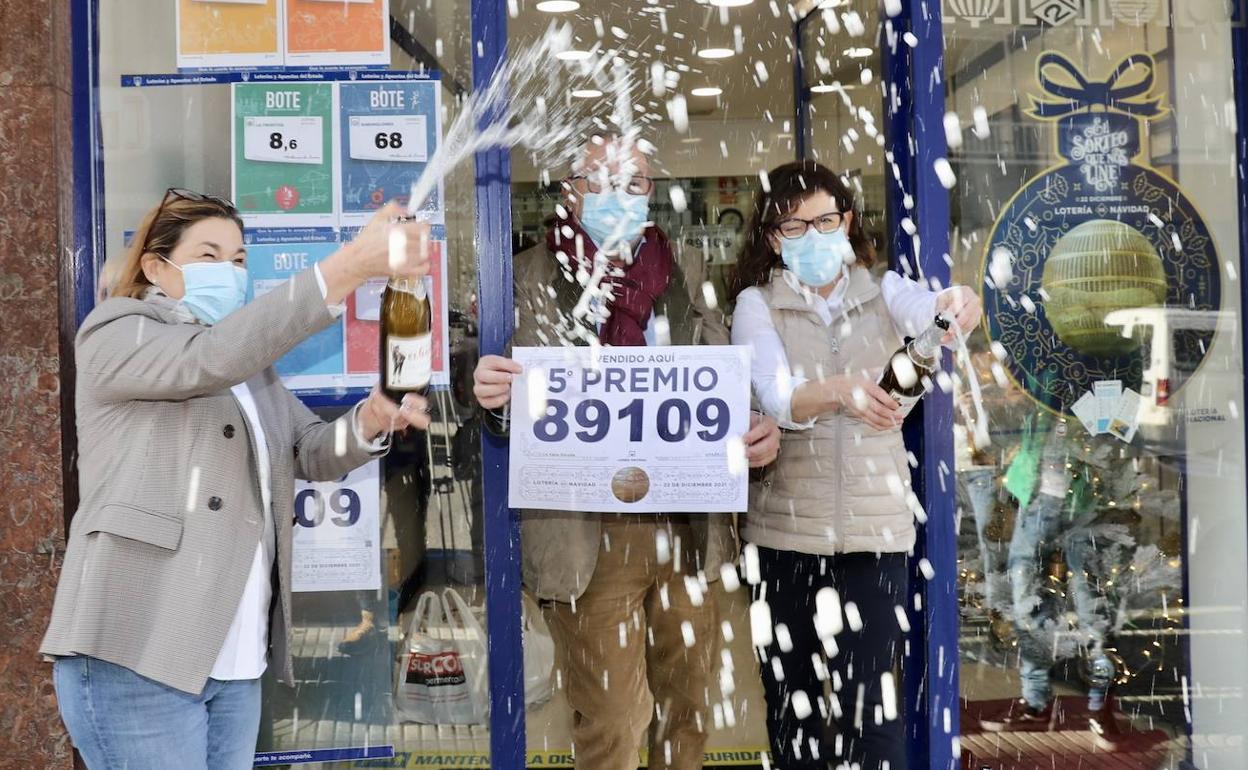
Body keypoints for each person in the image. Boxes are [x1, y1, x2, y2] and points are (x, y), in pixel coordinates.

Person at [40, 189, 432, 770]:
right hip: (137, 649)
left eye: (240, 258)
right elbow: (209, 358)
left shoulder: (251, 368)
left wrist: (372, 419)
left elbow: (312, 451)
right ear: (155, 267)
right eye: (209, 255)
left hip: (235, 660)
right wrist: (349, 267)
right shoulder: (118, 332)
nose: (231, 270)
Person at [473, 135, 781, 770]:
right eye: (603, 183)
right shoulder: (523, 277)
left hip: (686, 525)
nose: (621, 197)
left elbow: (726, 379)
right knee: (614, 717)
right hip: (586, 533)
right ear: (571, 192)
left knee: (688, 704)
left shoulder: (686, 271)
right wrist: (488, 393)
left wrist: (757, 426)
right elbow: (485, 385)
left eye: (635, 183)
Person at [729, 159, 981, 770]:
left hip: (875, 538)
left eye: (826, 220)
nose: (814, 237)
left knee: (876, 721)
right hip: (786, 538)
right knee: (797, 718)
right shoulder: (757, 305)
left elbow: (929, 313)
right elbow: (776, 395)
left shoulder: (882, 291)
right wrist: (840, 389)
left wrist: (954, 303)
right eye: (795, 227)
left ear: (847, 223)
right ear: (772, 237)